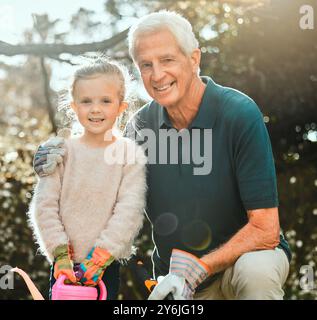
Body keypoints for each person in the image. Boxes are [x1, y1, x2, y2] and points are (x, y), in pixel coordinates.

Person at [33, 11, 291, 300]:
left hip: (240, 265)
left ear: (194, 59)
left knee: (255, 271)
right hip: (177, 284)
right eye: (146, 65)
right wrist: (58, 160)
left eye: (167, 60)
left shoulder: (238, 113)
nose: (157, 75)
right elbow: (101, 184)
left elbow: (265, 229)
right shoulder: (140, 128)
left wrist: (200, 268)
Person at [28, 57, 147, 300]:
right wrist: (60, 254)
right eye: (86, 101)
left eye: (105, 101)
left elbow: (129, 210)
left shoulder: (129, 154)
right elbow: (45, 205)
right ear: (73, 106)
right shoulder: (60, 151)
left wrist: (101, 257)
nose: (95, 108)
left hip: (105, 267)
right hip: (63, 268)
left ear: (121, 107)